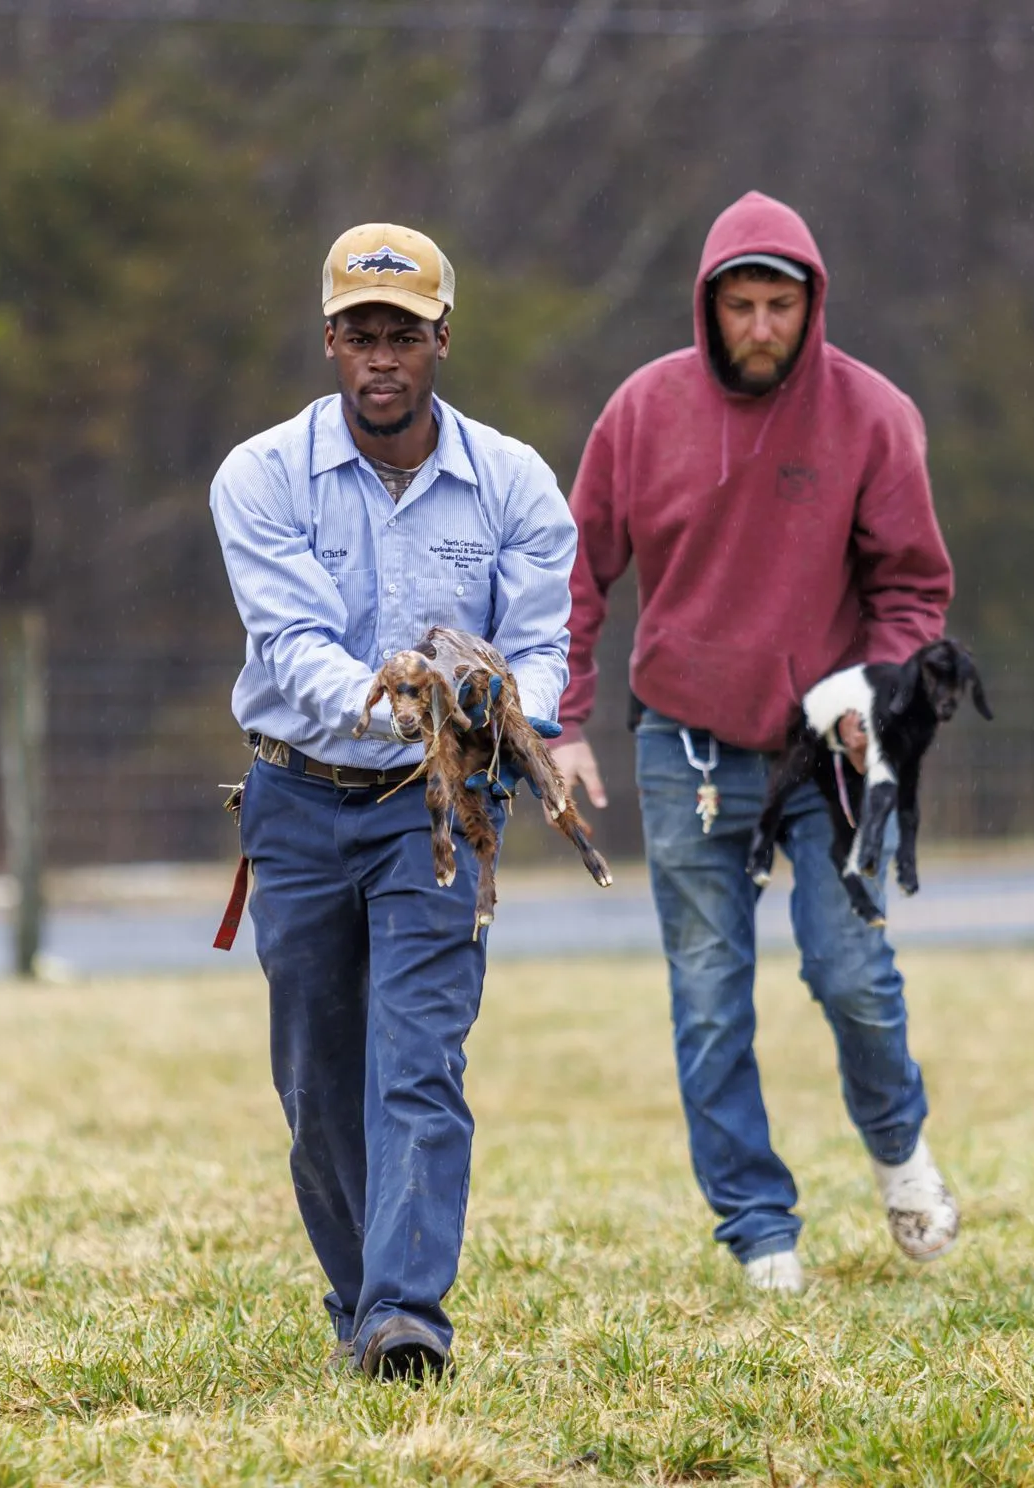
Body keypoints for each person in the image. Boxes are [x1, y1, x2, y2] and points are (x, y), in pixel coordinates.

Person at [549, 191, 959, 1294]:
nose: (764, 326)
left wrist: (877, 688)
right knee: (710, 996)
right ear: (710, 306)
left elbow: (914, 586)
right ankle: (759, 1230)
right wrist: (566, 718)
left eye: (783, 304)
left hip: (826, 749)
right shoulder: (643, 412)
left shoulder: (872, 416)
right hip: (682, 743)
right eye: (744, 304)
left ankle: (898, 1152)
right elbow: (574, 574)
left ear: (811, 305)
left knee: (851, 973)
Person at [209, 223, 577, 1376]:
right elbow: (296, 644)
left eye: (404, 337)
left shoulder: (515, 482)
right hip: (299, 802)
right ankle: (362, 1298)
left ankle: (406, 1318)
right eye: (362, 335)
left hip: (443, 814)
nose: (383, 359)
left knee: (418, 1061)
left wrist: (511, 709)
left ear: (442, 341)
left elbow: (545, 647)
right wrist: (405, 698)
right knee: (320, 1086)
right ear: (329, 342)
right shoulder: (259, 478)